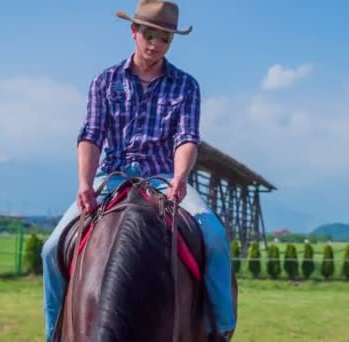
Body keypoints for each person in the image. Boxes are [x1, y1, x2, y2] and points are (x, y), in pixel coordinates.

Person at [40, 1, 235, 340]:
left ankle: (220, 326)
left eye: (164, 39)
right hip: (111, 176)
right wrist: (85, 183)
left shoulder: (186, 86)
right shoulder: (106, 81)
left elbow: (186, 137)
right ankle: (53, 331)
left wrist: (180, 177)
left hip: (162, 177)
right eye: (149, 35)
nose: (155, 44)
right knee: (51, 247)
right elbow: (91, 134)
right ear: (134, 32)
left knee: (215, 237)